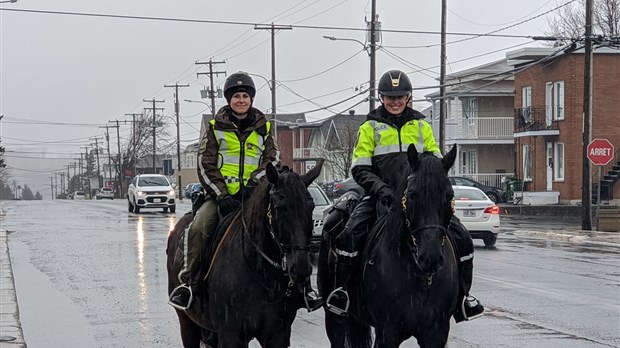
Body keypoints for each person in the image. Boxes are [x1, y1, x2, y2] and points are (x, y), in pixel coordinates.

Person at [324, 70, 484, 321]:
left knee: (462, 236)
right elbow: (359, 168)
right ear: (381, 98)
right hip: (381, 196)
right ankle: (343, 292)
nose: (395, 101)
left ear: (408, 97)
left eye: (400, 96)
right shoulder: (370, 127)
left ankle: (464, 298)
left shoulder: (421, 126)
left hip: (419, 199)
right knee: (350, 234)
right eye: (389, 97)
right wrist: (382, 190)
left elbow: (434, 160)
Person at [168, 71, 322, 312]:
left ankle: (302, 287)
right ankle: (189, 283)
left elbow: (271, 159)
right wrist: (221, 195)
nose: (241, 100)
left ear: (251, 99)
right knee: (197, 228)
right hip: (221, 199)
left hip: (255, 196)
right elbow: (205, 164)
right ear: (229, 100)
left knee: (289, 228)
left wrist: (254, 185)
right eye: (236, 96)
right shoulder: (214, 128)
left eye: (245, 96)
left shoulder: (264, 128)